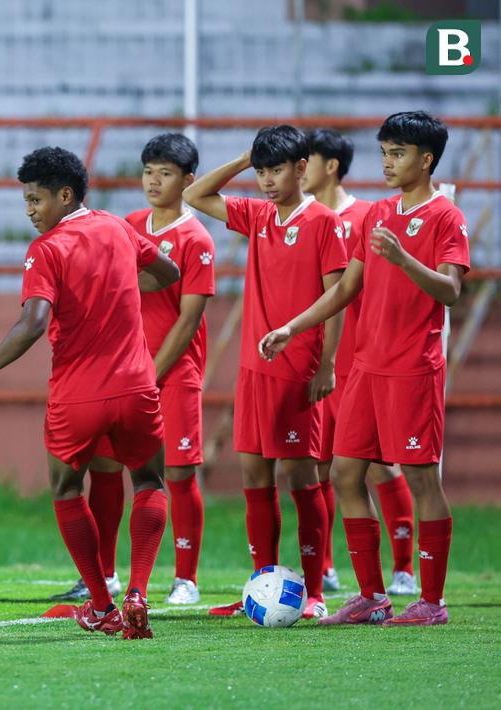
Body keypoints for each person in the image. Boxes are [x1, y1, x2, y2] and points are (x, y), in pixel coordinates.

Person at [261, 111, 468, 626]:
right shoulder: (376, 215)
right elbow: (346, 288)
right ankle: (373, 597)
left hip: (413, 369)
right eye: (384, 152)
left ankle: (432, 602)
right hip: (366, 368)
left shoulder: (446, 217)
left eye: (398, 153)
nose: (388, 163)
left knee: (421, 480)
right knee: (347, 473)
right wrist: (292, 327)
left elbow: (451, 290)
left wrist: (403, 261)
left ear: (426, 159)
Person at [0, 147, 179, 639]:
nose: (30, 210)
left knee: (67, 490)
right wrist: (119, 285)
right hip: (136, 386)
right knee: (149, 482)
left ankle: (103, 604)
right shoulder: (117, 227)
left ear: (65, 195)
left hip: (78, 394)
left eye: (36, 199)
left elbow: (34, 321)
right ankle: (139, 592)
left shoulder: (47, 249)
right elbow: (169, 271)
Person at [184, 125, 346, 620]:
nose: (267, 181)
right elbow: (193, 194)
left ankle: (314, 591)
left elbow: (337, 297)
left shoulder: (323, 221)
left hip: (299, 368)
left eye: (276, 170)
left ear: (302, 169)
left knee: (301, 477)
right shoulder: (257, 215)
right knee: (254, 475)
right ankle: (263, 584)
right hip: (254, 369)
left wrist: (325, 363)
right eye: (261, 171)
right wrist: (242, 158)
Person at [51, 133, 216, 606]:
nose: (153, 181)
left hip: (172, 372)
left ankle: (185, 577)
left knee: (177, 475)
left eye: (165, 173)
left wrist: (151, 370)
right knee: (104, 468)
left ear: (187, 180)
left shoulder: (196, 239)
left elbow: (188, 319)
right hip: (122, 374)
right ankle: (103, 575)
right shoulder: (128, 225)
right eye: (148, 171)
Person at [303, 127, 417, 597]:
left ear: (330, 165)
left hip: (361, 359)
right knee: (325, 464)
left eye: (304, 161)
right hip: (316, 357)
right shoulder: (299, 218)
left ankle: (405, 568)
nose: (296, 170)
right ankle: (327, 566)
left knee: (380, 465)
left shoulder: (367, 216)